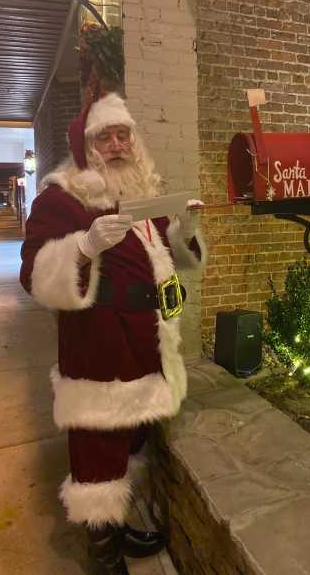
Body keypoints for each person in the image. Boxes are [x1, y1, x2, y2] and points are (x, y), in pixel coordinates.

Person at [20, 92, 206, 574]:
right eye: (106, 136)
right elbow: (34, 273)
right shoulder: (59, 199)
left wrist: (187, 229)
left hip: (147, 337)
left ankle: (118, 526)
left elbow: (173, 255)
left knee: (132, 439)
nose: (118, 144)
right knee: (98, 444)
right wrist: (82, 246)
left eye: (124, 134)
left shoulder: (144, 194)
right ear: (86, 147)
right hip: (98, 342)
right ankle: (101, 549)